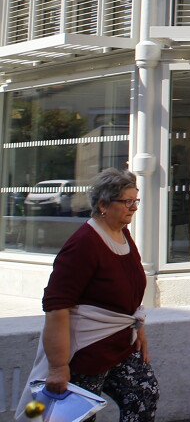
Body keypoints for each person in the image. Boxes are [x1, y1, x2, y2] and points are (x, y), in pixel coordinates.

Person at [26, 168, 158, 422]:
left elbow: (129, 287)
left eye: (135, 200)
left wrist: (138, 330)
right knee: (78, 414)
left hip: (120, 343)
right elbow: (56, 306)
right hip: (87, 350)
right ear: (102, 205)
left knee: (144, 395)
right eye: (127, 201)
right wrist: (58, 367)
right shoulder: (84, 243)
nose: (134, 207)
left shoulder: (123, 233)